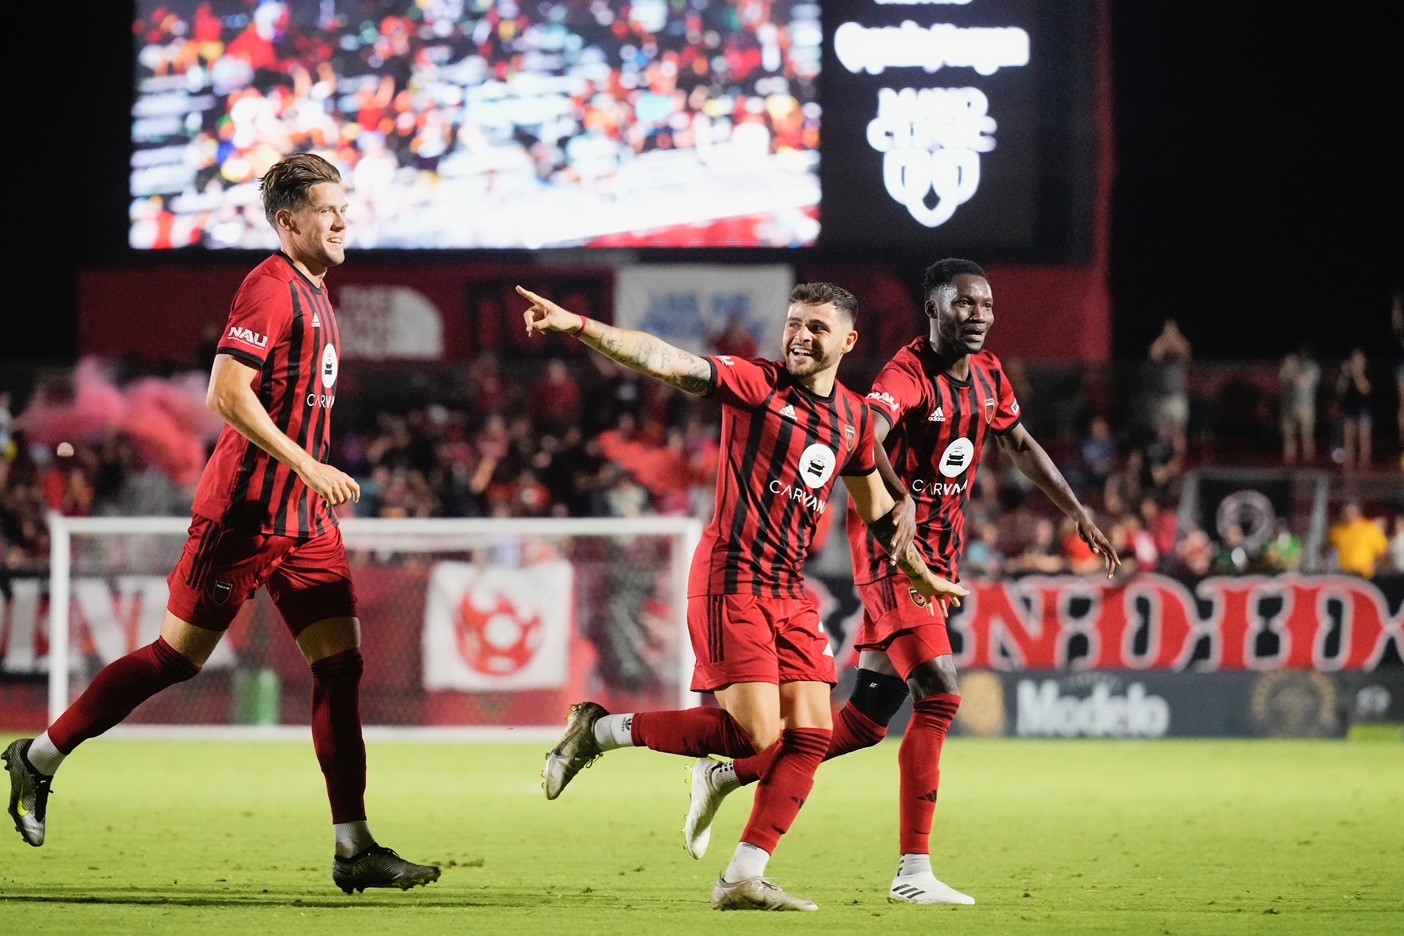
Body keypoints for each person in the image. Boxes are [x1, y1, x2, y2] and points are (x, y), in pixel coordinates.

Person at [2, 154, 439, 895]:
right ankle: (37, 758)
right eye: (327, 209)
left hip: (304, 526)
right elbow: (226, 393)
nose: (341, 220)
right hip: (243, 517)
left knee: (341, 665)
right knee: (177, 659)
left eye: (344, 207)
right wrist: (308, 465)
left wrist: (307, 481)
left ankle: (353, 844)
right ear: (288, 222)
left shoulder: (319, 291)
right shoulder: (270, 289)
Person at [518, 281, 968, 912]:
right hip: (731, 578)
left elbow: (880, 514)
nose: (801, 337)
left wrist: (922, 575)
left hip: (790, 589)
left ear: (848, 341)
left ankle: (742, 876)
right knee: (757, 736)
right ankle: (600, 731)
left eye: (816, 327)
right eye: (793, 324)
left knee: (811, 735)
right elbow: (663, 358)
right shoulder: (757, 386)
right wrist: (581, 327)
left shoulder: (854, 422)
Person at [683, 258, 1120, 906]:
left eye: (986, 305)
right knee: (940, 695)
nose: (978, 316)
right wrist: (897, 496)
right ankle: (913, 873)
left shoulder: (991, 375)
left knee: (866, 719)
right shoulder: (905, 374)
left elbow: (1020, 445)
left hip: (940, 556)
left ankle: (731, 771)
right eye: (964, 305)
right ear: (934, 310)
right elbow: (867, 433)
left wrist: (1077, 511)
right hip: (892, 549)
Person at [1279, 343, 1321, 465]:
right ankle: (1289, 462)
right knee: (1289, 436)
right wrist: (1285, 367)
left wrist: (1292, 370)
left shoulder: (1313, 367)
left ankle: (1308, 463)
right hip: (1288, 406)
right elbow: (1282, 382)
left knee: (1306, 437)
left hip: (1305, 408)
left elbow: (1302, 383)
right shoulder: (1292, 366)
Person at [1335, 349, 1372, 471]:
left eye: (1358, 359)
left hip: (1363, 409)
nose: (1355, 362)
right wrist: (1345, 375)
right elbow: (1340, 390)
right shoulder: (1347, 375)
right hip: (1350, 409)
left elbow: (1365, 389)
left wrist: (1357, 374)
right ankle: (1348, 464)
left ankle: (1364, 464)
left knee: (1364, 438)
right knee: (1349, 438)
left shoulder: (1367, 372)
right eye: (1354, 359)